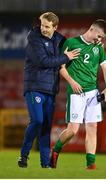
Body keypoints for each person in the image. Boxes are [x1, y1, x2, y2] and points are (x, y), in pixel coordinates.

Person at [18, 12, 80, 168]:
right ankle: (24, 155)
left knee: (45, 127)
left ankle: (45, 163)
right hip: (34, 87)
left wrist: (95, 44)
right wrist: (66, 58)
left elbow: (75, 52)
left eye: (47, 26)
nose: (43, 29)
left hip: (51, 90)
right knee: (37, 120)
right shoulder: (34, 38)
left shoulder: (60, 40)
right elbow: (43, 61)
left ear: (55, 27)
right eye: (42, 25)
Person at [50, 19, 106, 169]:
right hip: (76, 93)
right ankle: (55, 150)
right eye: (99, 36)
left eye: (102, 38)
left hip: (93, 92)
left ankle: (91, 164)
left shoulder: (99, 48)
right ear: (92, 29)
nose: (100, 40)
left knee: (92, 128)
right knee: (73, 130)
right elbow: (61, 67)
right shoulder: (71, 43)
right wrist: (72, 82)